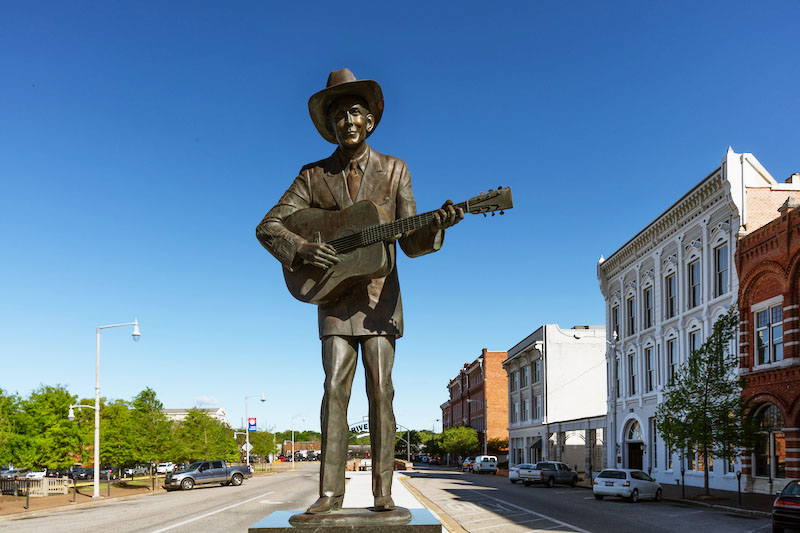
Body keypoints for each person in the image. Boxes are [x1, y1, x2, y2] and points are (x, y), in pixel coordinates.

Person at [256, 68, 462, 514]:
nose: (347, 121)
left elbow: (410, 242)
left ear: (369, 121)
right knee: (334, 390)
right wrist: (304, 248)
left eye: (355, 112)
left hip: (379, 302)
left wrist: (435, 228)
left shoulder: (395, 170)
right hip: (331, 298)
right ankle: (329, 495)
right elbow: (268, 226)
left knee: (381, 391)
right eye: (339, 116)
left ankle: (382, 492)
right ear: (330, 126)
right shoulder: (312, 175)